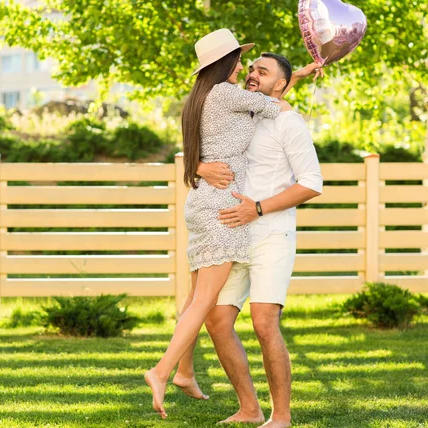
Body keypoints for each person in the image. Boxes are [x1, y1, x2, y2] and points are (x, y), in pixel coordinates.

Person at [144, 29, 289, 419]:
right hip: (222, 208)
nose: (242, 67)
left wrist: (295, 77)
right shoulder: (226, 94)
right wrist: (285, 91)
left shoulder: (199, 98)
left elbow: (261, 99)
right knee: (206, 302)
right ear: (223, 63)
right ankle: (161, 371)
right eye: (238, 60)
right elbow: (275, 107)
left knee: (194, 299)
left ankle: (186, 373)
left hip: (202, 203)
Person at [178, 53, 324, 427]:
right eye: (251, 69)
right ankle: (249, 408)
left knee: (263, 322)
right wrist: (197, 165)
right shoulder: (238, 110)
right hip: (230, 232)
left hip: (270, 233)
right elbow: (207, 147)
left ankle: (282, 416)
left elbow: (311, 184)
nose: (251, 74)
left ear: (279, 85)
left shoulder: (289, 122)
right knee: (216, 320)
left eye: (263, 71)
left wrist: (257, 208)